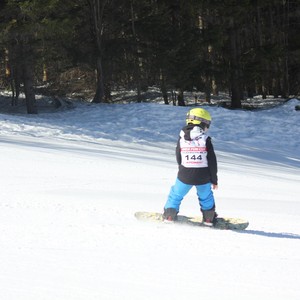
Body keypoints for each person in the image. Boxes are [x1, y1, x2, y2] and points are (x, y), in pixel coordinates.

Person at [163, 107, 218, 226]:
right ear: (202, 123)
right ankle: (209, 218)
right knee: (206, 197)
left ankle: (169, 215)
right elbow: (212, 161)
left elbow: (178, 155)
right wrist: (214, 179)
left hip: (185, 174)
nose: (207, 128)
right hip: (203, 176)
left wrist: (181, 168)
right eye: (207, 124)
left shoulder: (181, 138)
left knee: (176, 194)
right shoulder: (206, 139)